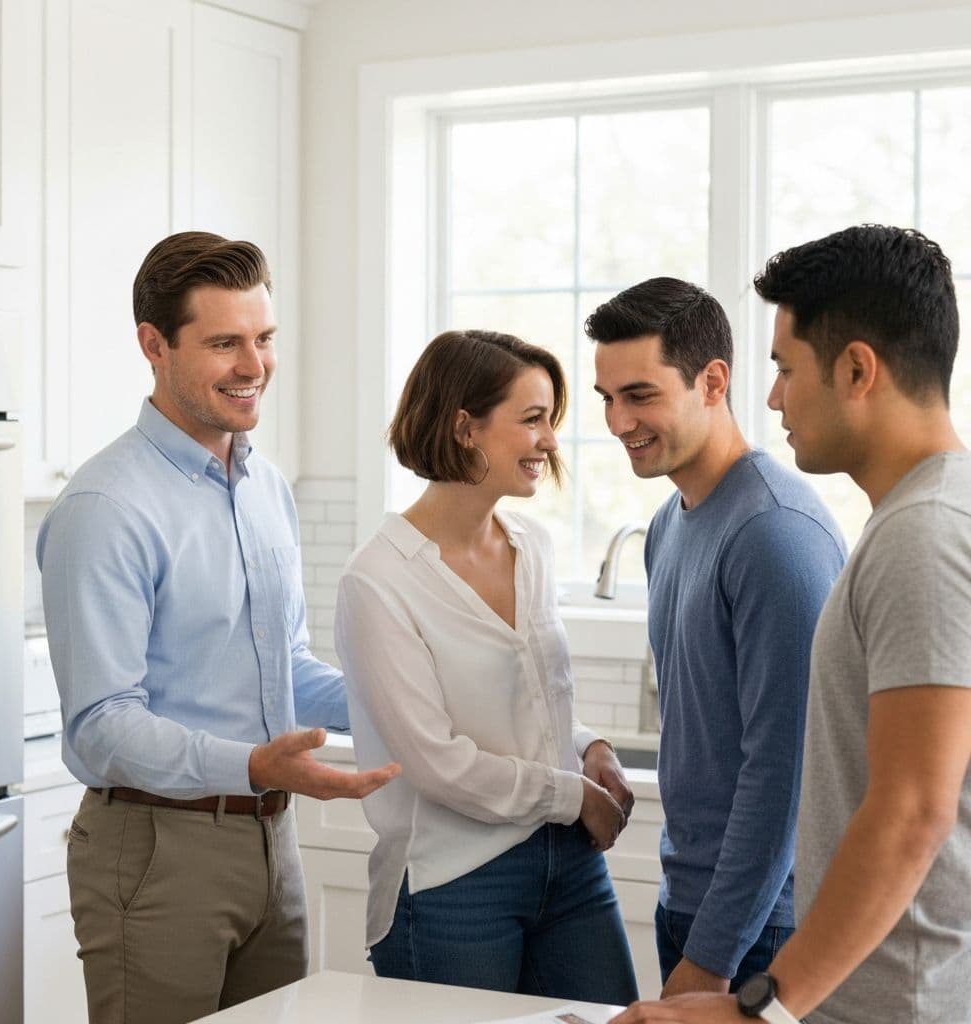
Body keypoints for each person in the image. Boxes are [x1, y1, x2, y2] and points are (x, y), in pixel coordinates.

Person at [37, 231, 399, 1024]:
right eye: (224, 343)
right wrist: (255, 764)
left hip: (274, 843)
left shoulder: (265, 486)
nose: (254, 365)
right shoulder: (106, 509)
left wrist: (406, 706)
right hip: (158, 849)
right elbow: (100, 726)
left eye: (264, 339)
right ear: (153, 345)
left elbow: (286, 671)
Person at [611, 225, 971, 1024]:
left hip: (896, 998)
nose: (772, 396)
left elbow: (913, 808)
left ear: (855, 370)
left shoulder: (925, 534)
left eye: (783, 368)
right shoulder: (916, 520)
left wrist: (757, 1009)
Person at [333, 329, 639, 1004]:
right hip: (453, 882)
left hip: (568, 866)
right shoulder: (378, 580)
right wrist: (575, 796)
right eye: (533, 419)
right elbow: (437, 762)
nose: (551, 441)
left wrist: (591, 746)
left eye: (551, 421)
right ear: (464, 427)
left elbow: (534, 699)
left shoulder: (531, 546)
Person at [586, 279, 846, 999]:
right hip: (694, 903)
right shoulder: (670, 524)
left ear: (713, 381)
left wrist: (712, 953)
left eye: (639, 395)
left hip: (764, 927)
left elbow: (782, 776)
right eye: (607, 398)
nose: (617, 421)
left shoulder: (774, 534)